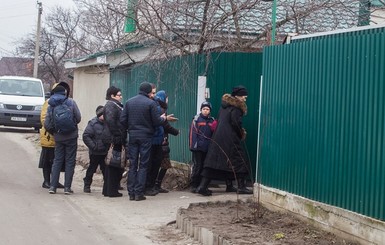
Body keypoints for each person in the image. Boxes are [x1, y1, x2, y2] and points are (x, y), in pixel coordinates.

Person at [196, 85, 253, 196]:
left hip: (218, 137)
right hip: (230, 138)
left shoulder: (224, 106)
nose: (245, 99)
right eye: (244, 97)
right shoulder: (236, 108)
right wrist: (241, 133)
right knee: (239, 160)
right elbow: (236, 123)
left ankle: (203, 186)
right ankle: (241, 187)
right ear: (238, 96)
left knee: (214, 162)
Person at [120, 82, 167, 201]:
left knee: (133, 165)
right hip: (146, 137)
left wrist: (130, 129)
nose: (153, 94)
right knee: (143, 165)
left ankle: (131, 193)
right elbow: (156, 121)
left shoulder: (129, 102)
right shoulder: (150, 103)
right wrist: (163, 118)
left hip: (133, 136)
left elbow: (123, 120)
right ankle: (139, 193)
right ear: (148, 92)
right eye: (152, 92)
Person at [46, 84, 81, 195]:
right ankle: (67, 188)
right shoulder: (71, 102)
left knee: (57, 161)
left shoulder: (50, 104)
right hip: (71, 136)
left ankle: (53, 186)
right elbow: (79, 117)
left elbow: (47, 123)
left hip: (58, 137)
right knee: (70, 161)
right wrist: (72, 126)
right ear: (64, 93)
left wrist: (55, 132)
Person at [146, 90, 179, 195]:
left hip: (161, 140)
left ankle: (155, 185)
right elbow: (163, 125)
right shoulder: (159, 108)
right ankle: (154, 185)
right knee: (160, 164)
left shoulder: (160, 107)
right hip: (160, 141)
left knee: (161, 165)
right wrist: (176, 132)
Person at [38, 82, 69, 189]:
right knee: (47, 161)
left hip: (59, 137)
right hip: (48, 137)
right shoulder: (48, 102)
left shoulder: (67, 102)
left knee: (57, 160)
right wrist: (53, 131)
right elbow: (43, 119)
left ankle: (54, 180)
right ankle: (46, 181)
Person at [188, 101, 217, 193]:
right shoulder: (196, 120)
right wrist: (193, 146)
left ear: (210, 111)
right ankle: (194, 185)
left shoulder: (212, 121)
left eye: (207, 109)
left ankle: (202, 186)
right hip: (198, 148)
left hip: (208, 148)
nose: (205, 111)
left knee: (205, 166)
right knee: (198, 166)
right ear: (201, 110)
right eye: (204, 109)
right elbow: (192, 134)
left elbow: (214, 134)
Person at [102, 86, 126, 198]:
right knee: (113, 164)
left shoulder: (114, 105)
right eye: (119, 95)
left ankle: (107, 189)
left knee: (110, 164)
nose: (121, 97)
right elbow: (111, 122)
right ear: (112, 96)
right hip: (113, 138)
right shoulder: (111, 106)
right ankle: (111, 190)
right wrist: (118, 134)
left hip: (112, 137)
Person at [82, 105, 111, 193]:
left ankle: (107, 187)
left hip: (105, 152)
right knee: (92, 169)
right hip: (95, 152)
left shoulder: (108, 123)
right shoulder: (93, 123)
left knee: (106, 170)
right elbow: (86, 136)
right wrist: (94, 146)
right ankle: (87, 185)